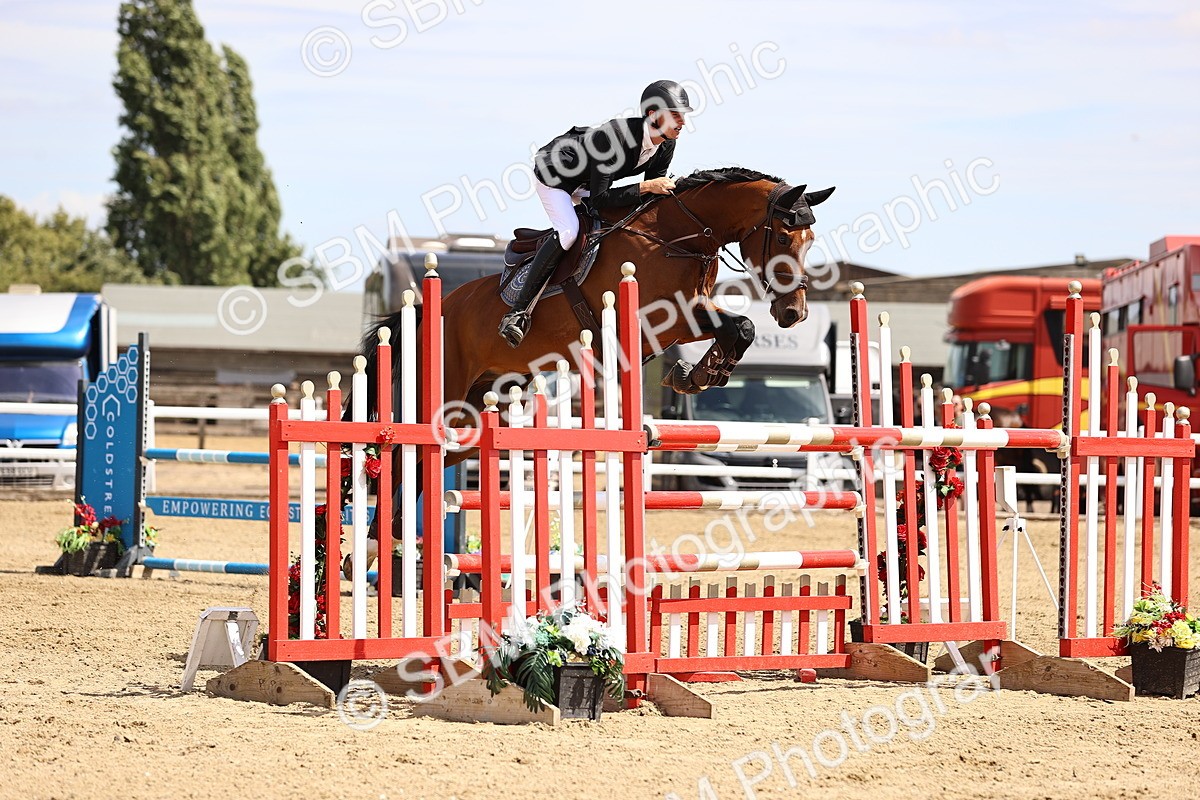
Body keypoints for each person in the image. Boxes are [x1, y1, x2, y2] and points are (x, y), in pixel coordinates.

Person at [497, 79, 693, 347]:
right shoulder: (616, 137)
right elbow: (601, 200)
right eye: (675, 115)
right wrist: (647, 186)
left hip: (590, 182)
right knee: (569, 232)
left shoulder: (666, 143)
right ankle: (517, 313)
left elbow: (649, 197)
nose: (682, 122)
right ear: (653, 114)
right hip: (557, 176)